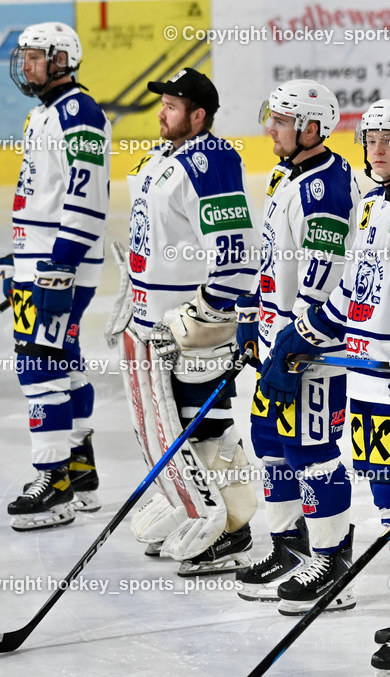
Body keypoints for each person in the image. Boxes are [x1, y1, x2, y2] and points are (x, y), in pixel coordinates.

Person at [258, 99, 390, 677]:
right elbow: (348, 293)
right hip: (365, 372)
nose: (377, 149)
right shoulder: (373, 203)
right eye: (371, 138)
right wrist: (298, 336)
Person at [106, 67, 257, 575]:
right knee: (164, 427)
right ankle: (191, 506)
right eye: (162, 103)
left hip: (189, 327)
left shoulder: (211, 161)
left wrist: (208, 314)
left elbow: (234, 250)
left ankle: (233, 529)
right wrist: (133, 292)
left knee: (203, 425)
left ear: (198, 115)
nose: (161, 113)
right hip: (153, 322)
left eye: (171, 106)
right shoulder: (164, 158)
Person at [234, 79, 359, 616]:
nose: (270, 129)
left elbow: (322, 278)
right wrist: (250, 318)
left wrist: (292, 340)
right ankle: (291, 548)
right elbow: (271, 260)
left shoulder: (325, 189)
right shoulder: (289, 174)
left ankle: (332, 564)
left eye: (281, 121)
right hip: (275, 340)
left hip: (309, 349)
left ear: (311, 129)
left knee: (311, 453)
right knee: (269, 443)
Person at [0, 22, 109, 531]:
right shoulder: (43, 113)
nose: (26, 65)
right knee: (61, 355)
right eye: (24, 56)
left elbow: (87, 198)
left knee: (37, 364)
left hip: (56, 267)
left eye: (36, 57)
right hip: (38, 262)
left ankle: (53, 478)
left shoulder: (79, 113)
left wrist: (59, 266)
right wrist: (16, 258)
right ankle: (79, 468)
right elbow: (36, 193)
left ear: (63, 59)